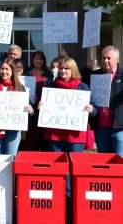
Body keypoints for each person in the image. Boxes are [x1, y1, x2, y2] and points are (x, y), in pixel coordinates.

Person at [39, 57, 97, 203]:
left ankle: (71, 200)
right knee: (57, 168)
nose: (63, 70)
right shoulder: (51, 86)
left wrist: (92, 109)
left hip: (75, 136)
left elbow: (94, 109)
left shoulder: (83, 87)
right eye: (61, 68)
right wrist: (41, 106)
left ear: (73, 70)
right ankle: (58, 200)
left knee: (73, 167)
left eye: (67, 68)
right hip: (55, 134)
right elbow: (44, 108)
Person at [0, 58, 34, 155]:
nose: (4, 72)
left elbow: (28, 109)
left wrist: (30, 110)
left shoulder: (20, 88)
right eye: (2, 69)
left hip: (13, 131)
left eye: (7, 69)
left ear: (12, 70)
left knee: (10, 159)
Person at [82, 46, 123, 156]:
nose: (105, 61)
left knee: (119, 161)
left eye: (109, 58)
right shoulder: (95, 74)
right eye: (103, 58)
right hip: (100, 127)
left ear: (117, 59)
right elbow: (82, 85)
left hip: (119, 127)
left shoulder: (122, 75)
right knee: (104, 161)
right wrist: (86, 69)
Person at [24, 51, 52, 151]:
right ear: (33, 60)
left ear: (44, 61)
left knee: (43, 137)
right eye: (36, 58)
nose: (38, 61)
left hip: (44, 109)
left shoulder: (49, 74)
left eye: (40, 59)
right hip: (31, 109)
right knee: (32, 138)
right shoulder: (27, 73)